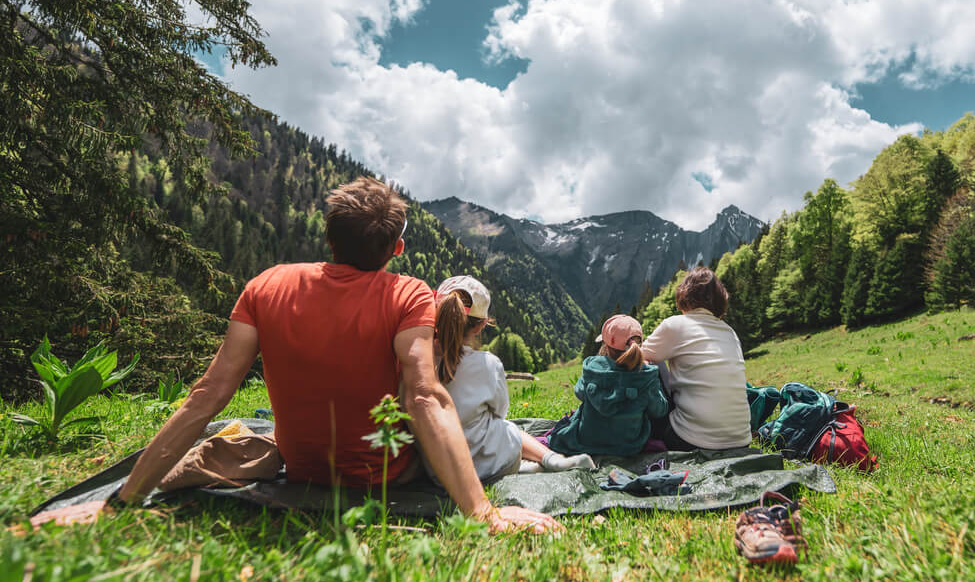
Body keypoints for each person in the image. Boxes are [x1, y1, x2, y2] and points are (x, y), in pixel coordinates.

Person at [116, 177, 559, 534]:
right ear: (397, 248)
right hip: (386, 475)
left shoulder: (266, 285)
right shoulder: (408, 295)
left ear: (329, 236)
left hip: (303, 469)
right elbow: (425, 398)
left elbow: (209, 392)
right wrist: (484, 513)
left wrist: (127, 496)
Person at [432, 276, 595, 480]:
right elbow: (500, 411)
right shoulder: (488, 364)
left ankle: (529, 465)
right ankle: (550, 460)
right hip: (488, 465)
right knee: (507, 427)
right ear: (481, 325)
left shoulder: (417, 361)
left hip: (435, 471)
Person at [642, 267, 751, 451]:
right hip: (741, 440)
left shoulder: (675, 325)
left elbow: (635, 357)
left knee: (652, 361)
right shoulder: (729, 331)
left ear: (684, 295)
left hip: (689, 440)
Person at [547, 314, 669, 456]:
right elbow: (659, 410)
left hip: (587, 442)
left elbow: (579, 393)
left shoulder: (592, 368)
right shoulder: (646, 375)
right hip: (630, 446)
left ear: (606, 345)